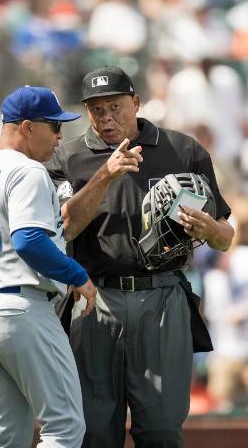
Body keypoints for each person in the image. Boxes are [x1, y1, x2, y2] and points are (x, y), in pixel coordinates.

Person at [46, 66, 234, 448]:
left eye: (115, 106)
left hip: (163, 296)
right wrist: (104, 175)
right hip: (93, 298)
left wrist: (209, 230)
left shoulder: (183, 149)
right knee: (94, 434)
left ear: (135, 102)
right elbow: (63, 228)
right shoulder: (67, 157)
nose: (106, 117)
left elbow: (226, 237)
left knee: (163, 432)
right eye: (96, 110)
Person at [0, 85, 97, 448]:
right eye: (54, 126)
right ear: (28, 127)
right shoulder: (28, 171)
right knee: (64, 429)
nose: (60, 136)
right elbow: (29, 240)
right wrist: (78, 277)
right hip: (22, 310)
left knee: (7, 439)